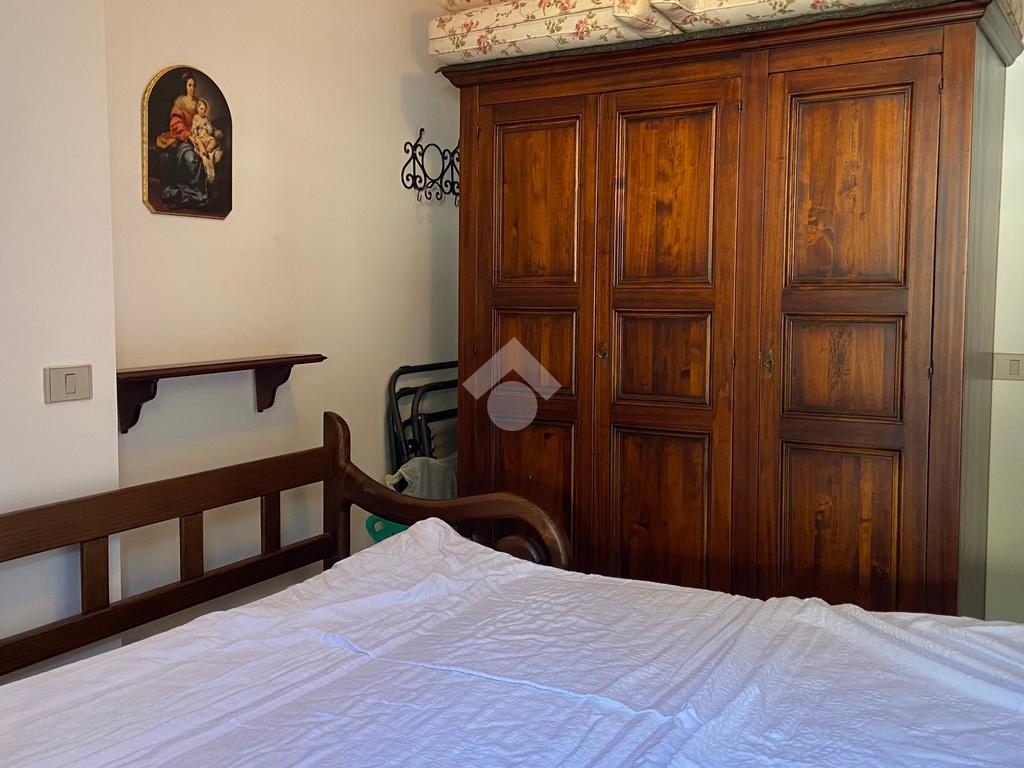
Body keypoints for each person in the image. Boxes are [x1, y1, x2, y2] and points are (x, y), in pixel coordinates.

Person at [155, 71, 210, 207]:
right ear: (185, 86)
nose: (192, 88)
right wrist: (188, 136)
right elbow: (176, 123)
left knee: (201, 158)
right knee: (190, 159)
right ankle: (186, 193)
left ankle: (197, 194)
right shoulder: (179, 102)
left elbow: (204, 121)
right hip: (183, 138)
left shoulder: (198, 103)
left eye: (194, 85)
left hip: (197, 138)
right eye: (189, 85)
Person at [190, 98, 223, 181]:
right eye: (201, 109)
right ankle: (203, 152)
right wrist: (196, 133)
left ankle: (208, 149)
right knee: (199, 142)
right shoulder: (196, 117)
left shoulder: (206, 119)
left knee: (213, 140)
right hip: (200, 137)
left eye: (204, 110)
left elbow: (210, 130)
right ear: (197, 109)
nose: (203, 112)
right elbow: (194, 127)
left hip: (206, 137)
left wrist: (207, 127)